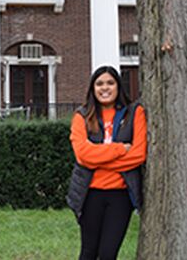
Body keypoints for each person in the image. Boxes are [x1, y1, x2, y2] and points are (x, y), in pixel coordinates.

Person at [67, 65, 147, 260]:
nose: (105, 88)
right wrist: (119, 149)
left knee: (108, 254)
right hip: (90, 194)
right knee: (88, 252)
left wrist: (97, 160)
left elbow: (138, 155)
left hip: (120, 196)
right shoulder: (82, 116)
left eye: (110, 83)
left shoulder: (134, 113)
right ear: (93, 89)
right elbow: (83, 155)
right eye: (100, 84)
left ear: (118, 86)